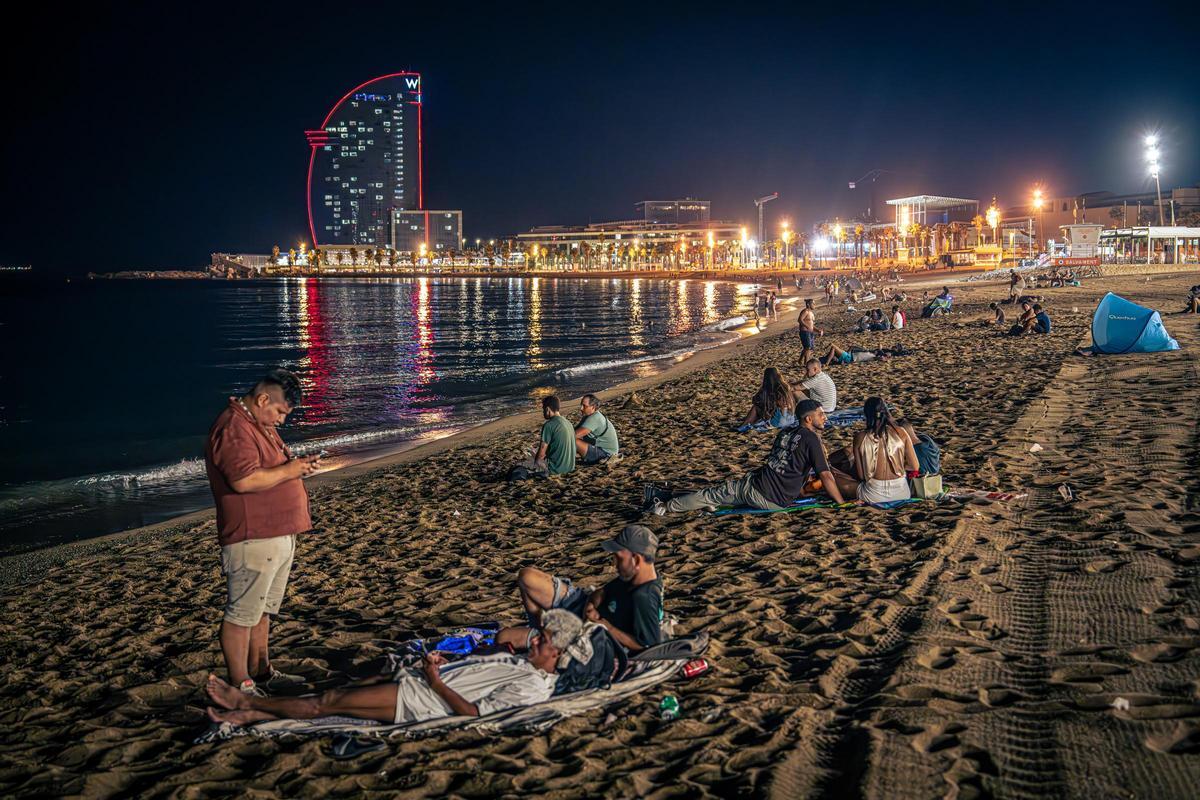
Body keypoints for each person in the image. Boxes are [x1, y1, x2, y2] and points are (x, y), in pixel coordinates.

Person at [205, 609, 586, 727]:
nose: (534, 638)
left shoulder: (534, 686)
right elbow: (477, 675)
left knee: (331, 700)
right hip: (423, 683)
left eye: (544, 638)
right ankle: (252, 710)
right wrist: (447, 663)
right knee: (343, 690)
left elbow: (473, 713)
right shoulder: (525, 661)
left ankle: (246, 707)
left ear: (558, 652)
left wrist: (436, 681)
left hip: (422, 700)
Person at [205, 368, 320, 697]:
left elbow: (269, 471)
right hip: (253, 534)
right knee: (242, 613)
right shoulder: (234, 427)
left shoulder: (258, 424)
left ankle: (261, 671)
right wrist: (291, 470)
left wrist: (295, 470)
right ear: (263, 399)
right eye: (280, 412)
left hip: (276, 533)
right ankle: (240, 683)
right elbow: (244, 480)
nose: (282, 420)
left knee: (263, 611)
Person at [650, 399, 849, 514]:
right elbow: (825, 475)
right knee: (713, 494)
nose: (824, 417)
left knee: (713, 493)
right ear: (808, 419)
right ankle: (666, 507)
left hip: (763, 491)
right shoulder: (811, 439)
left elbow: (786, 464)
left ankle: (670, 504)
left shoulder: (786, 432)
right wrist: (841, 504)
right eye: (820, 414)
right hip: (768, 493)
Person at [496, 525, 663, 654]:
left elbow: (647, 646)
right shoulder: (632, 575)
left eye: (618, 559)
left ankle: (542, 636)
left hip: (583, 634)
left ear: (636, 559)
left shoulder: (644, 596)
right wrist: (591, 605)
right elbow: (603, 592)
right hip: (580, 604)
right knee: (527, 576)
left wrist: (604, 626)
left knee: (502, 637)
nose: (615, 564)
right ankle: (540, 625)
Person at [852, 397, 920, 504]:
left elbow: (861, 476)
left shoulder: (860, 437)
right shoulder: (901, 432)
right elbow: (915, 466)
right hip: (902, 492)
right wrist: (898, 465)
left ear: (867, 415)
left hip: (873, 495)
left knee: (838, 479)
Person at [534, 395, 576, 475]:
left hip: (555, 469)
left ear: (547, 409)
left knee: (520, 467)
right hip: (570, 467)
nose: (543, 412)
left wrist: (535, 461)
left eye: (543, 409)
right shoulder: (568, 423)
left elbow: (541, 456)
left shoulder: (549, 425)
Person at [574, 394, 619, 464]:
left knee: (573, 441)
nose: (581, 408)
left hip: (606, 454)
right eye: (581, 405)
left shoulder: (595, 418)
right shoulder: (589, 416)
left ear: (593, 407)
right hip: (603, 450)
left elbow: (574, 435)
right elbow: (574, 430)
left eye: (584, 406)